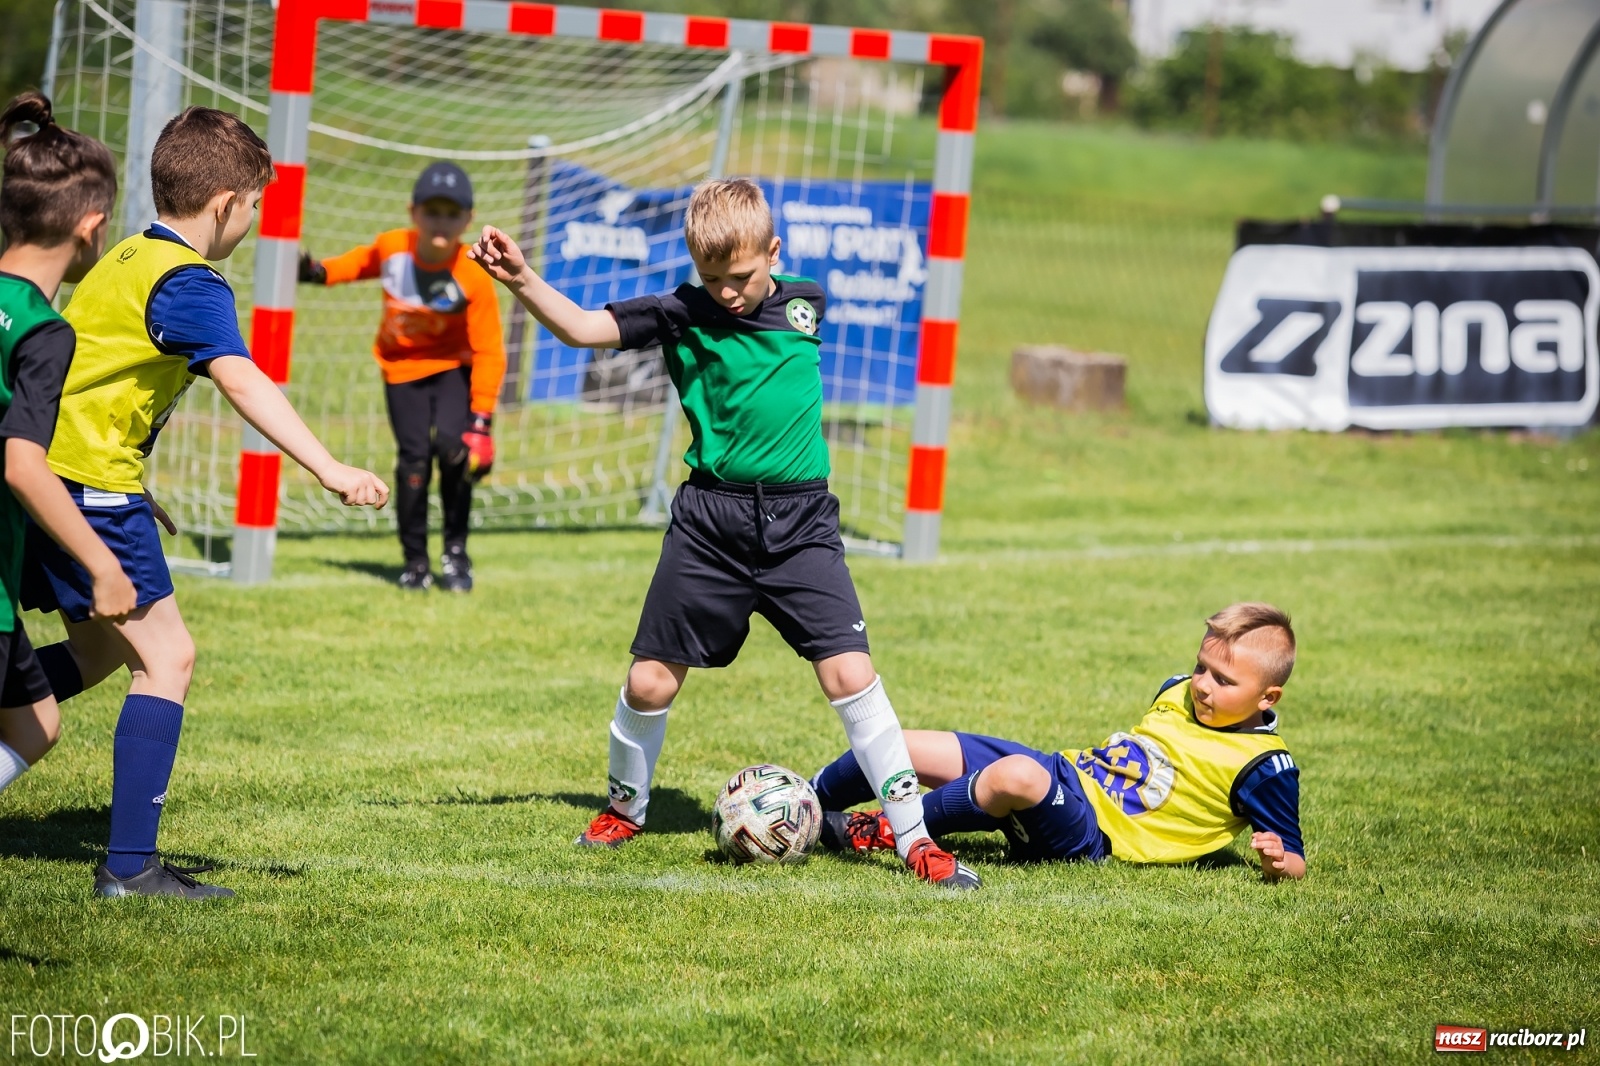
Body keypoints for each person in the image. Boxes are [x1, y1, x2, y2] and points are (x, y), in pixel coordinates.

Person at [468, 177, 980, 888]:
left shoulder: (806, 305)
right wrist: (521, 278)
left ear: (773, 252)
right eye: (713, 278)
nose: (728, 292)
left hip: (801, 524)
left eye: (740, 276)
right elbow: (583, 328)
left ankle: (915, 840)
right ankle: (624, 807)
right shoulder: (681, 311)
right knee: (648, 683)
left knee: (851, 675)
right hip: (710, 525)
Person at [20, 106, 390, 899]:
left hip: (53, 480)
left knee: (96, 654)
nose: (252, 221)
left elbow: (86, 383)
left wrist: (132, 482)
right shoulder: (189, 283)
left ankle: (18, 729)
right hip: (89, 491)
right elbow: (242, 378)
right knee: (169, 658)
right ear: (225, 202)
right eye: (254, 205)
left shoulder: (121, 255)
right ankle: (129, 868)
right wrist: (328, 467)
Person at [811, 603, 1307, 881]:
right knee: (900, 745)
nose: (1202, 684)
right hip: (1063, 775)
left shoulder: (1264, 766)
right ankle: (807, 802)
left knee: (1017, 776)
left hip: (1089, 836)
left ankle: (876, 829)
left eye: (1223, 680)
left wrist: (1277, 861)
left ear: (1268, 696)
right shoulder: (1176, 690)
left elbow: (1297, 863)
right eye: (1202, 667)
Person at [0, 92, 132, 800]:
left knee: (37, 722)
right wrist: (102, 564)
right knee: (32, 729)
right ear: (92, 226)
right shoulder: (44, 330)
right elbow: (23, 464)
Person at [299, 161, 504, 591]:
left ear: (467, 219)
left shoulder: (472, 275)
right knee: (413, 461)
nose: (441, 221)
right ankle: (415, 561)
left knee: (454, 452)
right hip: (402, 371)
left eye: (452, 213)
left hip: (452, 369)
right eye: (432, 210)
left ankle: (455, 553)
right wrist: (319, 272)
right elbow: (359, 263)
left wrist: (481, 423)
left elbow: (490, 350)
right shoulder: (394, 248)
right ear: (414, 212)